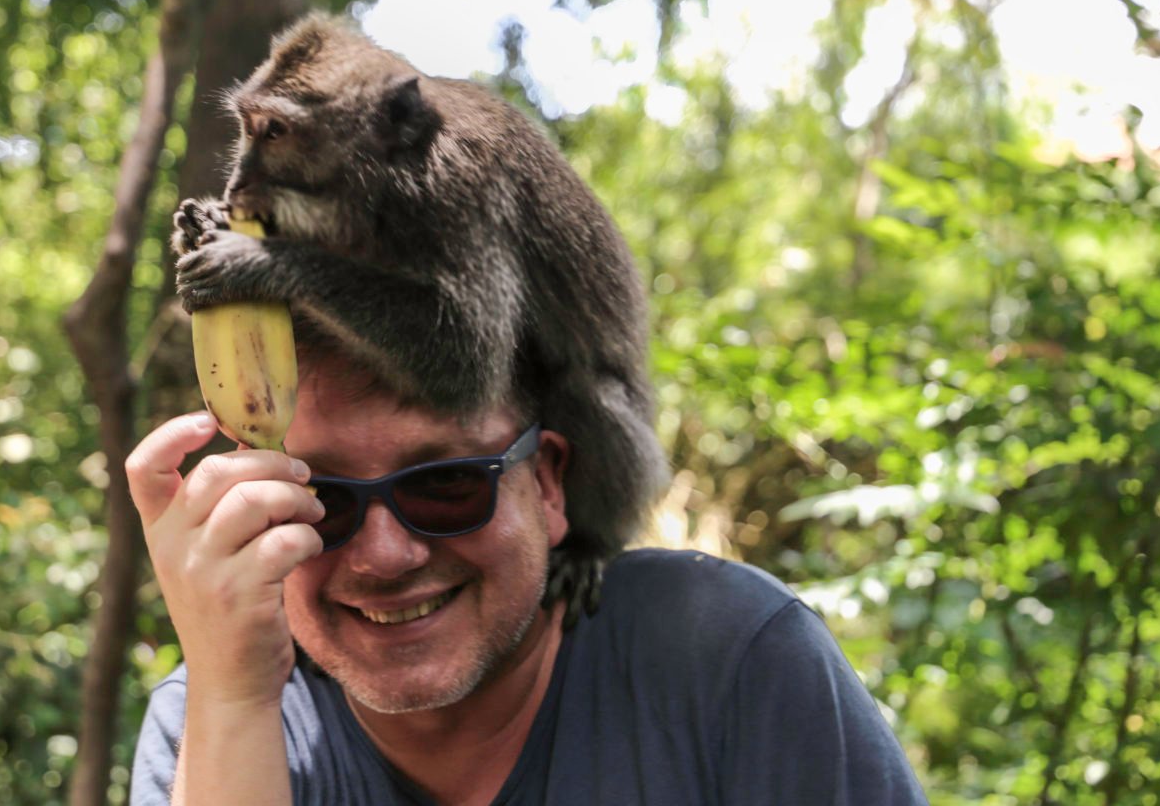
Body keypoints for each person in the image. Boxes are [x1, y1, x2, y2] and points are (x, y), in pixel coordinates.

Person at [125, 340, 928, 805]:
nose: (384, 554)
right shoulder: (223, 721)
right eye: (321, 499)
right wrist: (231, 695)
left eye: (445, 484)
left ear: (546, 484)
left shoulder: (724, 658)